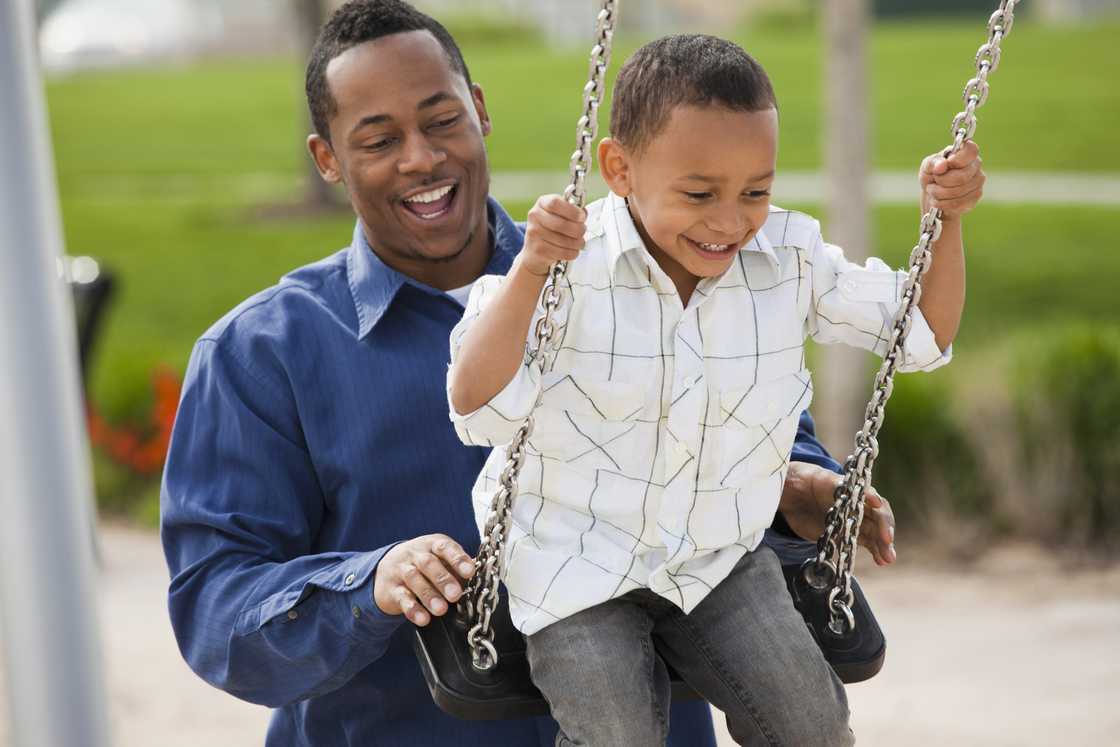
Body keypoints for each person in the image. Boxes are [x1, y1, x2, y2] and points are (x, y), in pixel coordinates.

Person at [160, 2, 898, 745]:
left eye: (442, 120)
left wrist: (798, 486)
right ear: (327, 159)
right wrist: (369, 582)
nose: (422, 157)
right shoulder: (261, 355)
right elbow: (218, 615)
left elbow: (759, 435)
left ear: (479, 111)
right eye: (380, 139)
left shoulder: (670, 263)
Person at [447, 34, 983, 746]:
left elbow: (921, 328)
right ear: (619, 168)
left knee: (812, 724)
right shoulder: (568, 267)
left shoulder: (787, 260)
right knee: (617, 732)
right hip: (573, 562)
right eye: (699, 193)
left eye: (756, 191)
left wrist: (944, 222)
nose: (731, 221)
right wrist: (531, 271)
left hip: (716, 556)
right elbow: (475, 404)